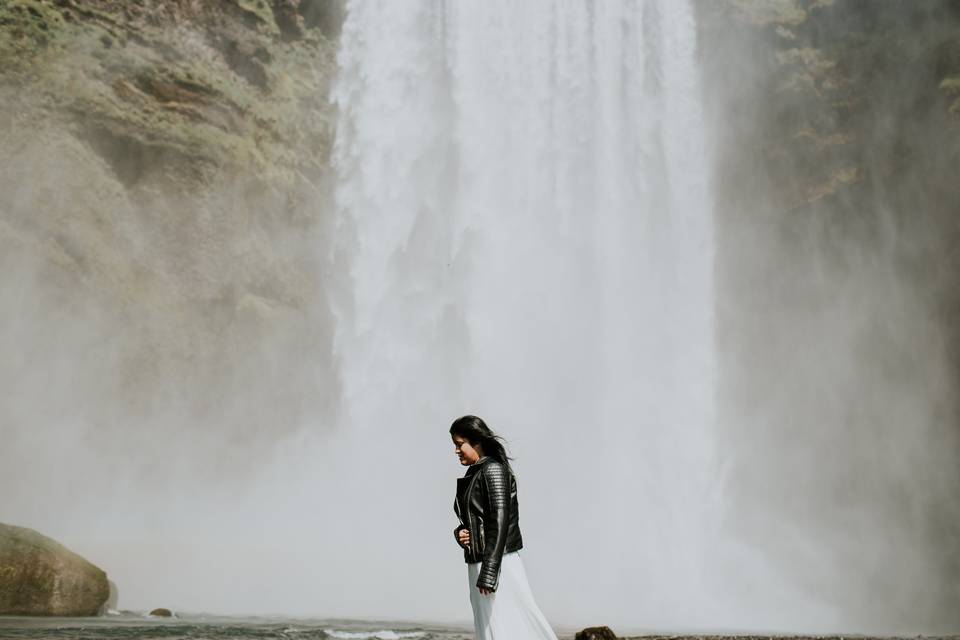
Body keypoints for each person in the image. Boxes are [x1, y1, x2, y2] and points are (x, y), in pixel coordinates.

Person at [450, 415, 559, 640]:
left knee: (510, 623)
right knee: (493, 627)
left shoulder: (493, 470)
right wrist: (460, 533)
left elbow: (499, 521)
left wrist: (490, 573)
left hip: (497, 563)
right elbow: (474, 518)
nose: (456, 451)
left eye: (460, 444)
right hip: (481, 560)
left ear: (476, 441)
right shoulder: (476, 472)